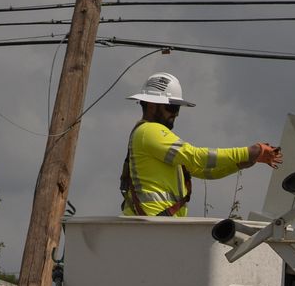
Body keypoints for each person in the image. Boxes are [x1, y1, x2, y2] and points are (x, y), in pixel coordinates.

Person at [118, 72, 282, 216]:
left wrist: (240, 163)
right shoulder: (150, 131)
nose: (176, 115)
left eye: (177, 109)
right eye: (172, 108)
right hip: (152, 224)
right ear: (152, 106)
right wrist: (251, 151)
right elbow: (197, 157)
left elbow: (202, 171)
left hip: (157, 222)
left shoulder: (152, 136)